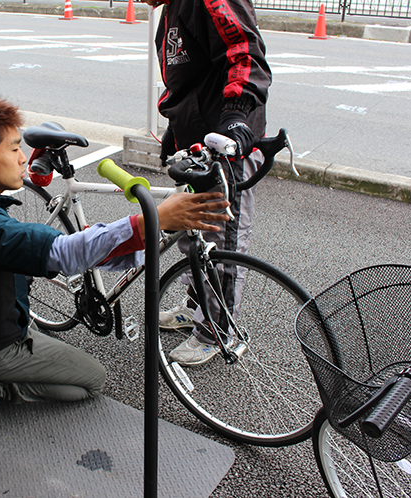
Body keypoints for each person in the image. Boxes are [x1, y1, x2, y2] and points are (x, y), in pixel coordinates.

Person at [0, 94, 231, 426]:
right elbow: (65, 253)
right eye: (13, 150)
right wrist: (152, 220)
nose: (23, 159)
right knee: (92, 380)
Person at [141, 0, 273, 366]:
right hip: (195, 147)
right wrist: (175, 131)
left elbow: (244, 52)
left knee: (220, 242)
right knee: (192, 234)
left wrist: (237, 115)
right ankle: (195, 306)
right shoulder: (170, 10)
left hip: (225, 146)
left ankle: (215, 331)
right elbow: (185, 82)